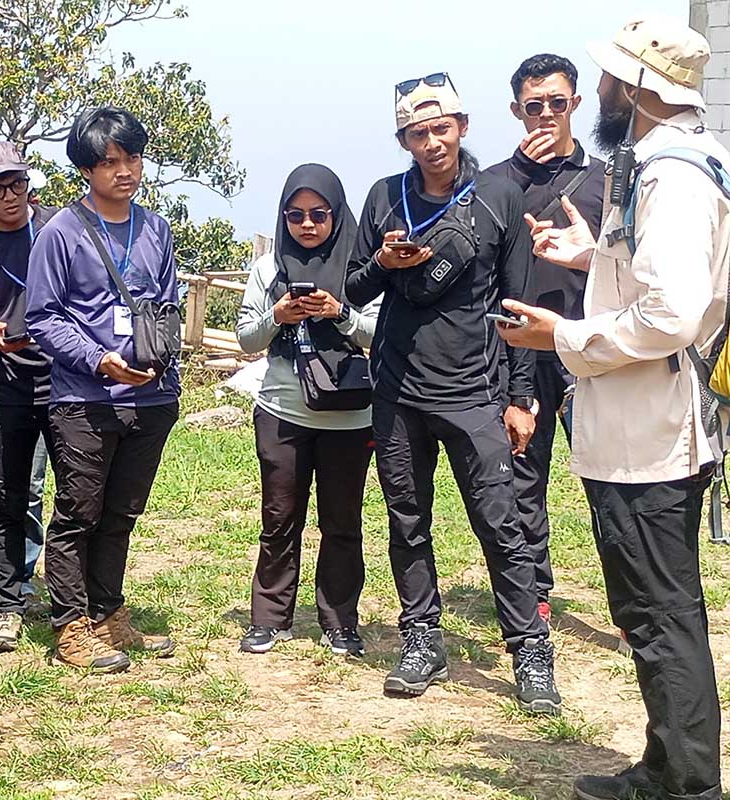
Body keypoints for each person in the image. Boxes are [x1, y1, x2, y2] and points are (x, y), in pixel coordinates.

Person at [498, 17, 727, 800]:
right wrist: (594, 255)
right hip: (638, 422)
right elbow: (661, 279)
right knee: (651, 607)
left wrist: (564, 334)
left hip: (649, 430)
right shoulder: (666, 163)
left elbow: (674, 313)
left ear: (635, 90)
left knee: (662, 613)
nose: (597, 90)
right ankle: (666, 767)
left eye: (605, 78)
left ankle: (690, 786)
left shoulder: (675, 175)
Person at [344, 74, 560, 713]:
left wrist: (521, 398)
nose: (432, 141)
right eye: (418, 132)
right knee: (407, 522)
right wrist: (385, 263)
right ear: (403, 139)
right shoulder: (385, 197)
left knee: (502, 525)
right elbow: (353, 292)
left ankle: (529, 651)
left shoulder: (497, 195)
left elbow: (517, 307)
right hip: (397, 392)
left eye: (442, 128)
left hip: (475, 393)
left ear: (463, 126)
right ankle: (421, 637)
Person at [26, 106, 180, 673]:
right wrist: (101, 361)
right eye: (110, 161)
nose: (125, 171)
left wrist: (155, 363)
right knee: (78, 512)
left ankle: (108, 611)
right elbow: (42, 316)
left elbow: (165, 304)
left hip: (150, 394)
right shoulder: (60, 232)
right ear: (87, 169)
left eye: (133, 157)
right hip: (85, 397)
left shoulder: (156, 229)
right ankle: (70, 623)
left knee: (121, 513)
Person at [235, 164, 378, 656]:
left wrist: (340, 313)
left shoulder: (361, 273)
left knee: (342, 521)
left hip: (350, 414)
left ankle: (340, 621)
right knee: (279, 518)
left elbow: (380, 335)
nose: (308, 224)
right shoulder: (268, 269)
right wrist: (277, 317)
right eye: (295, 215)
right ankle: (270, 618)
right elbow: (246, 338)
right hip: (282, 411)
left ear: (338, 215)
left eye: (319, 214)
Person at [485, 54, 605, 624]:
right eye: (535, 106)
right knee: (523, 478)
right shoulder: (499, 183)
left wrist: (584, 258)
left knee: (609, 478)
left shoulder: (608, 183)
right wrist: (518, 177)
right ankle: (533, 590)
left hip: (589, 346)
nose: (547, 115)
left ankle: (632, 600)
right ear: (517, 111)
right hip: (521, 348)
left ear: (575, 104)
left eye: (558, 103)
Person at [0, 140, 59, 652]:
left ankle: (74, 595)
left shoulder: (55, 229)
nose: (10, 195)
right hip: (4, 381)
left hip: (66, 379)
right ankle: (10, 600)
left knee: (72, 493)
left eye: (18, 183)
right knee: (12, 491)